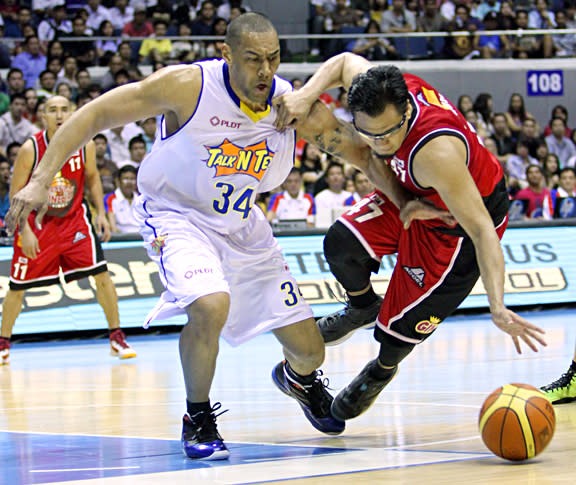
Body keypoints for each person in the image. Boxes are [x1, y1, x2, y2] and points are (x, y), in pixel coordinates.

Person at [5, 13, 347, 461]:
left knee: (311, 352)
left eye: (274, 58)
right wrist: (40, 178)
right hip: (177, 216)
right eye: (253, 60)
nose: (265, 71)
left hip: (244, 229)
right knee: (210, 305)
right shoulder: (188, 85)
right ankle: (198, 415)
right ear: (225, 54)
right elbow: (95, 114)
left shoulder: (290, 102)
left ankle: (298, 379)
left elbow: (355, 148)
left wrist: (410, 188)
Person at [274, 52, 547, 421]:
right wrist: (307, 94)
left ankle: (382, 370)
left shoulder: (436, 151)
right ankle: (362, 306)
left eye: (388, 133)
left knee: (400, 326)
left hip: (457, 221)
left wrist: (497, 305)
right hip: (412, 190)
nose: (380, 143)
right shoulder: (378, 88)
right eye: (369, 133)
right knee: (341, 245)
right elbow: (342, 62)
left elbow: (482, 230)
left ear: (406, 111)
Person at [0, 96, 136, 366]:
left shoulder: (84, 143)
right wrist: (24, 230)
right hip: (38, 225)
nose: (59, 114)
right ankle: (3, 341)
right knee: (18, 288)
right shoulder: (30, 149)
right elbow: (16, 194)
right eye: (53, 110)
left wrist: (103, 215)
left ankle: (116, 337)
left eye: (64, 109)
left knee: (102, 276)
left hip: (74, 221)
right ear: (43, 117)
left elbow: (94, 177)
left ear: (72, 113)